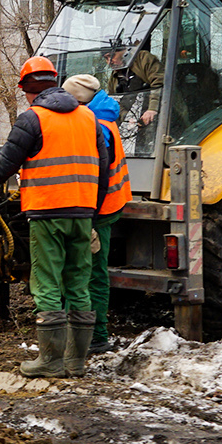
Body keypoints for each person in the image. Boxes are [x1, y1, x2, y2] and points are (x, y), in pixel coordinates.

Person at [0, 57, 112, 378]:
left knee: (48, 284)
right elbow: (104, 171)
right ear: (55, 81)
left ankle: (51, 361)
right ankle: (76, 362)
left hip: (47, 214)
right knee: (79, 284)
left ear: (27, 90)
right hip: (82, 215)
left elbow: (4, 166)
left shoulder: (32, 119)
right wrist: (93, 218)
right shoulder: (89, 119)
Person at [65, 74, 131, 357]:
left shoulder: (97, 127)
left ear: (80, 101)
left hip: (98, 209)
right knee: (91, 271)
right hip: (105, 205)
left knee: (91, 273)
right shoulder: (100, 116)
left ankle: (95, 336)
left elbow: (97, 176)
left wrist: (89, 219)